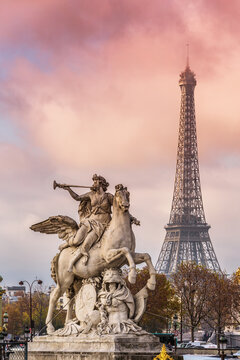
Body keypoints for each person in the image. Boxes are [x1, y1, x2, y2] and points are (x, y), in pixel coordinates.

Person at [60, 174, 113, 270]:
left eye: (95, 182)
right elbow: (77, 198)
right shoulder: (90, 195)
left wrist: (130, 218)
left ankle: (76, 261)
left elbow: (120, 208)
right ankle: (68, 243)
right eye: (93, 182)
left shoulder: (108, 196)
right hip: (90, 221)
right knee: (76, 240)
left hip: (102, 224)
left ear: (101, 184)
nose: (93, 184)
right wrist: (68, 189)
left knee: (87, 243)